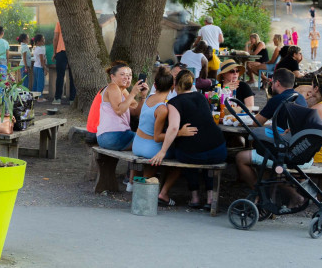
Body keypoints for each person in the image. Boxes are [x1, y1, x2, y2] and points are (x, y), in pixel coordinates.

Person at [151, 70, 227, 209]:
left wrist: (162, 151)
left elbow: (173, 128)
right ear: (192, 84)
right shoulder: (201, 97)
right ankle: (210, 198)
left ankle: (195, 197)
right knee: (204, 155)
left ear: (175, 84)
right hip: (218, 149)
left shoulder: (174, 102)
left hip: (193, 153)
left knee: (186, 152)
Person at [132, 67, 196, 206]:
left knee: (166, 152)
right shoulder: (163, 108)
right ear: (173, 86)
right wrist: (180, 132)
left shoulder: (149, 97)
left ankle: (145, 188)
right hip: (149, 149)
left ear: (154, 85)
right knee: (180, 158)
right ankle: (163, 193)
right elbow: (157, 137)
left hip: (137, 144)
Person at [236, 69, 308, 187]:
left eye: (272, 82)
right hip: (299, 149)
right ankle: (273, 193)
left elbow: (256, 122)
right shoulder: (300, 97)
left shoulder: (277, 99)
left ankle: (260, 192)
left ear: (277, 83)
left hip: (282, 151)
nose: (271, 84)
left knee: (240, 157)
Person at [96, 62, 148, 150]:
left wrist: (143, 96)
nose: (127, 78)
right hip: (112, 135)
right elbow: (119, 110)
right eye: (122, 74)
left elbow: (135, 112)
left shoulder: (122, 90)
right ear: (112, 77)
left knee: (148, 140)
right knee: (150, 140)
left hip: (113, 136)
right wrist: (133, 93)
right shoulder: (113, 87)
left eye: (129, 75)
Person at [53, 20, 76, 105]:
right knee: (72, 76)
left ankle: (57, 98)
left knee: (60, 75)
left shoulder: (59, 22)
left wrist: (54, 52)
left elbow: (55, 38)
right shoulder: (76, 21)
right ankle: (72, 99)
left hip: (61, 51)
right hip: (74, 52)